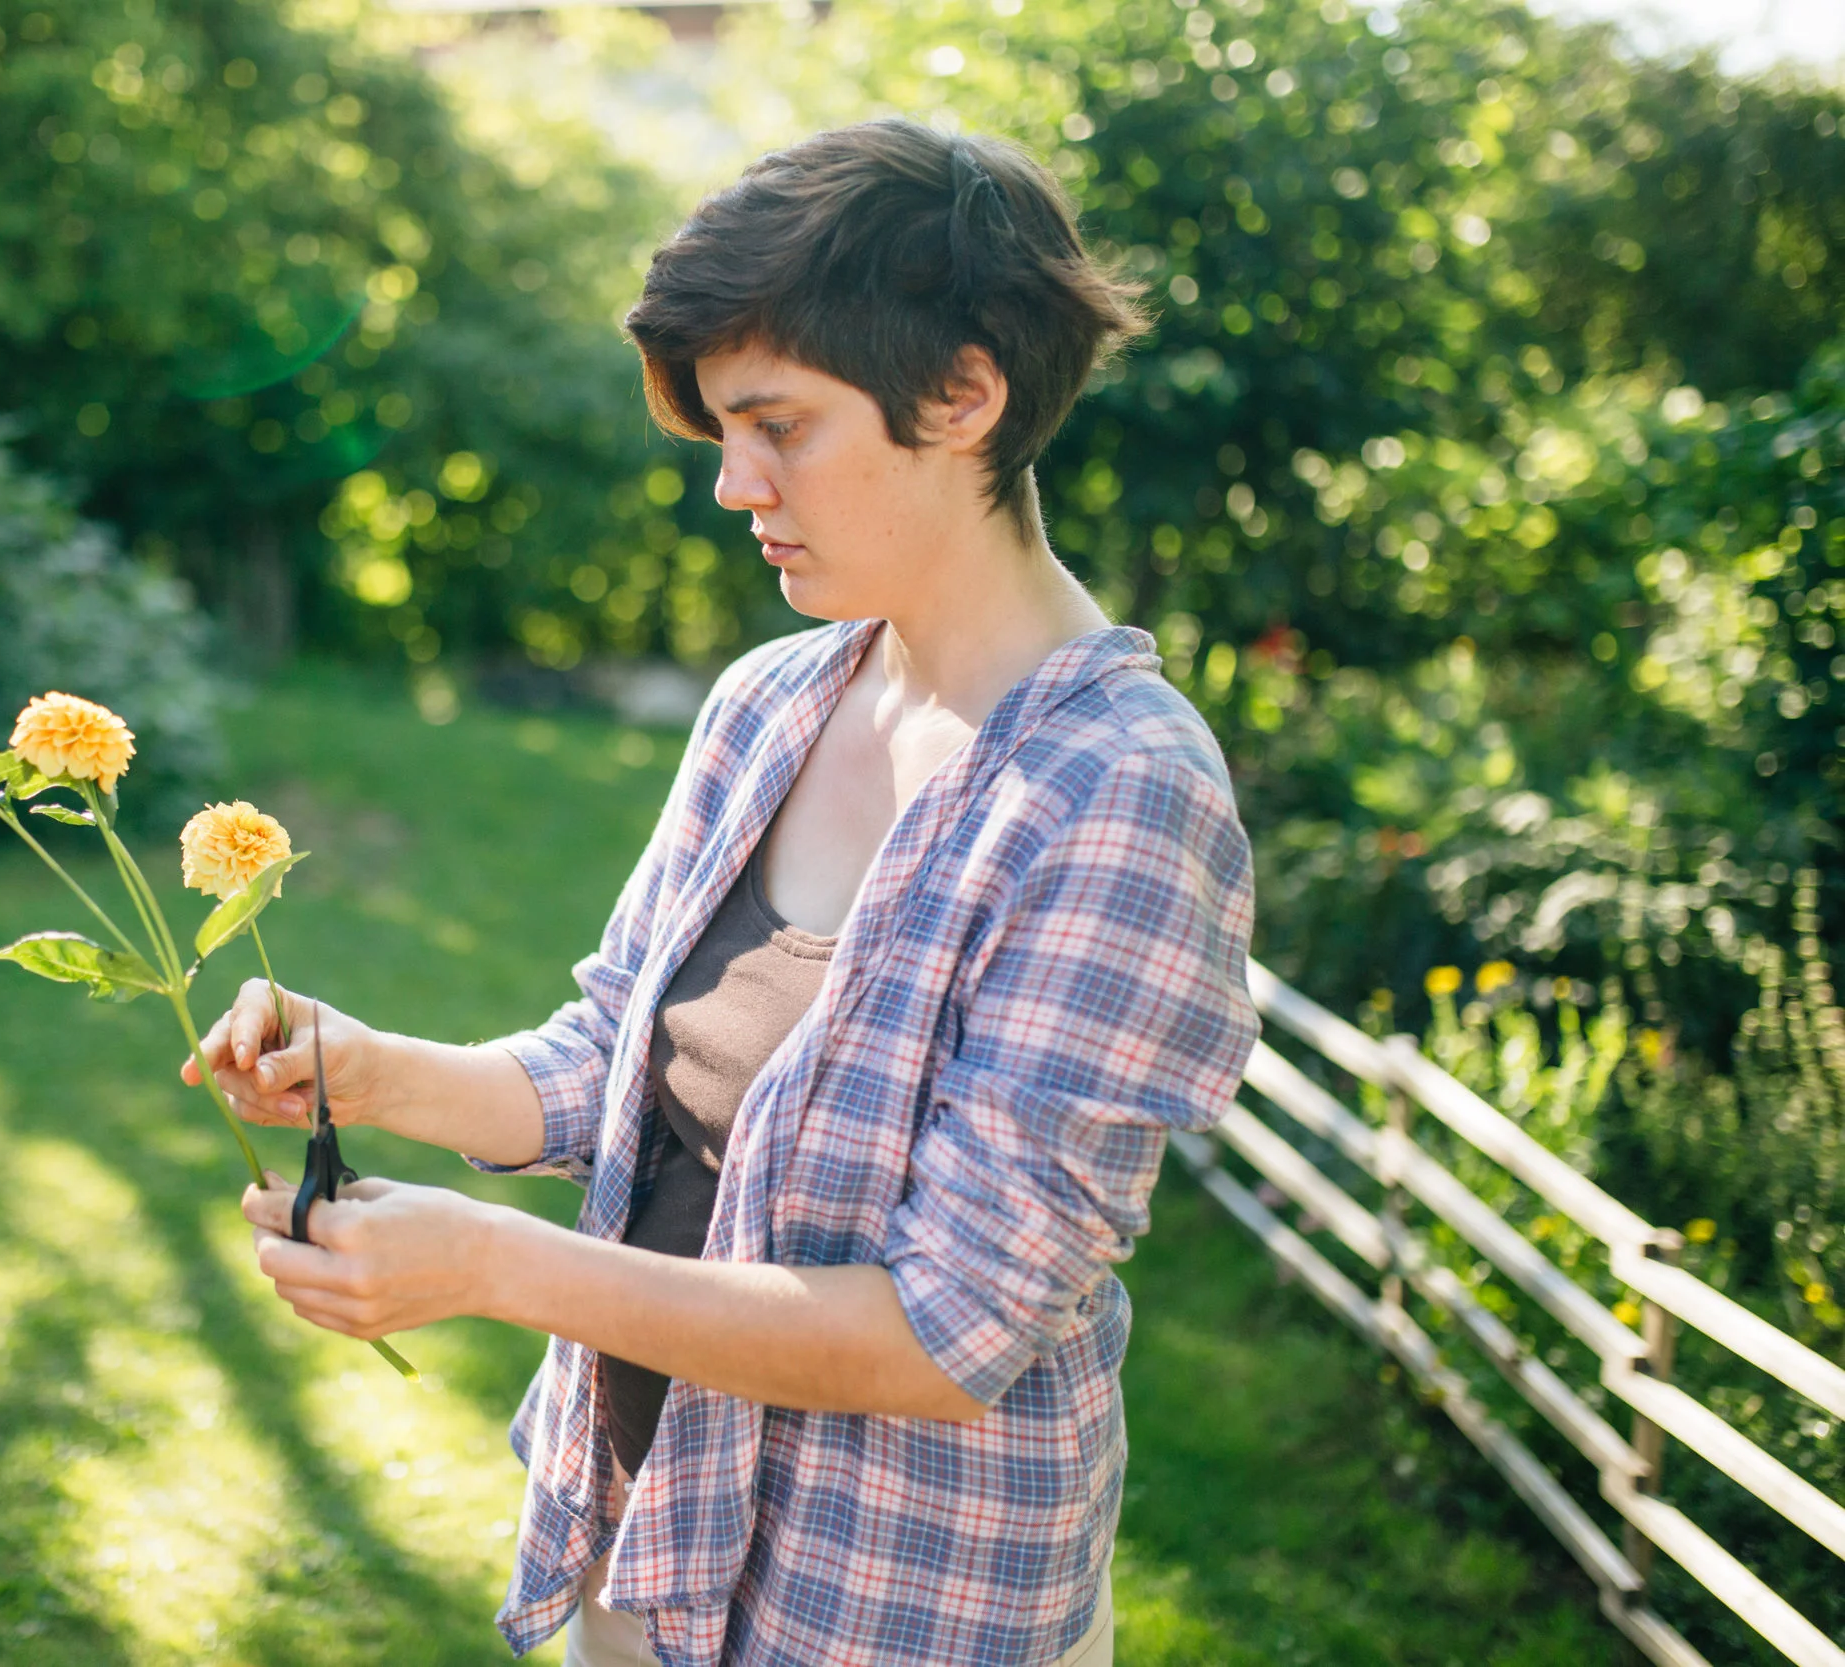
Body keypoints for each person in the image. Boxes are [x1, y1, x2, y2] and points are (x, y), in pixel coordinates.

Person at [187, 118, 1259, 1667]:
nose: (731, 485)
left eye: (779, 424)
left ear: (964, 393)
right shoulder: (775, 702)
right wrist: (378, 1072)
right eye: (719, 433)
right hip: (653, 1538)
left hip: (897, 1612)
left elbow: (941, 1335)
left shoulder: (1121, 795)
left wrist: (489, 1265)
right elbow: (625, 1054)